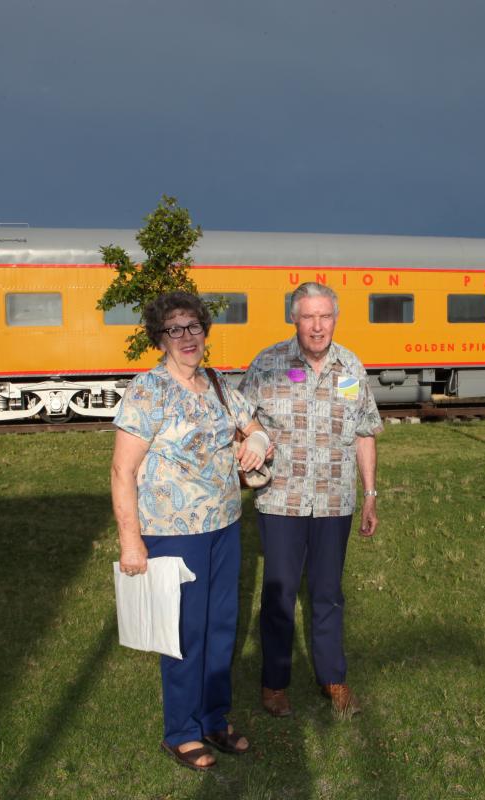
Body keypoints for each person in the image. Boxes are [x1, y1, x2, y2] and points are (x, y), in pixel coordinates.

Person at [110, 291, 271, 771]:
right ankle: (181, 731)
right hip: (173, 532)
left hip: (225, 525)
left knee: (222, 627)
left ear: (204, 331)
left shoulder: (219, 384)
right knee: (184, 633)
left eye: (193, 327)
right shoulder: (148, 390)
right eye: (174, 329)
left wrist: (258, 440)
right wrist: (130, 541)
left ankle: (214, 718)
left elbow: (254, 425)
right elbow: (122, 472)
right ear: (160, 337)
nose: (186, 337)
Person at [239, 281, 383, 717]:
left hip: (334, 503)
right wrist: (249, 452)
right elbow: (241, 423)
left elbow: (364, 434)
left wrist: (371, 494)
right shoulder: (267, 364)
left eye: (325, 317)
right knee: (279, 595)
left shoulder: (352, 367)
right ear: (294, 319)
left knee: (328, 594)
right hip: (281, 503)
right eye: (308, 317)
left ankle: (333, 679)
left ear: (334, 319)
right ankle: (275, 684)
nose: (317, 326)